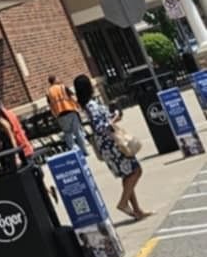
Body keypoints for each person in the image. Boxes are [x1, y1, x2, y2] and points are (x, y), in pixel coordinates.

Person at [74, 74, 149, 223]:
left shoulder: (88, 105)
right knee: (135, 171)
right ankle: (123, 203)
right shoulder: (91, 105)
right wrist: (114, 118)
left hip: (107, 144)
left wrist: (113, 116)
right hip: (112, 143)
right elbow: (100, 126)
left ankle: (137, 210)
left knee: (126, 174)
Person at [46, 73, 88, 155]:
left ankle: (74, 153)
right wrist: (79, 106)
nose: (59, 79)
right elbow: (73, 97)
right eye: (57, 78)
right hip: (70, 111)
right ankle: (84, 151)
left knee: (67, 133)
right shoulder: (62, 87)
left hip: (60, 115)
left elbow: (50, 105)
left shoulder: (49, 92)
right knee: (78, 132)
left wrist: (55, 115)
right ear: (55, 80)